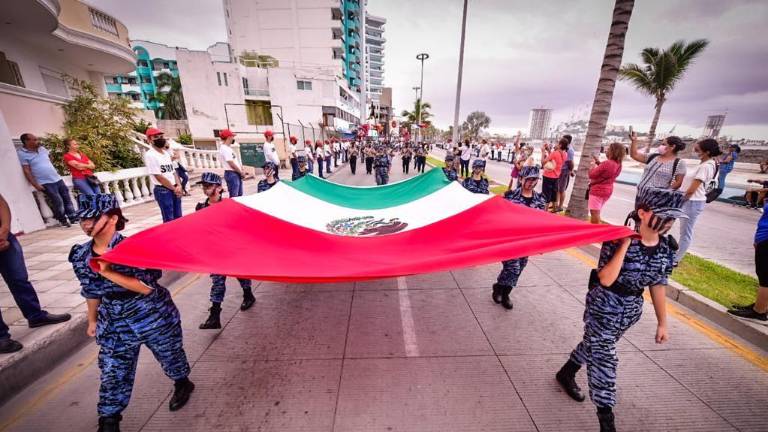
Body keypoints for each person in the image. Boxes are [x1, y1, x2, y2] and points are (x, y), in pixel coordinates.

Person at [556, 187, 683, 432]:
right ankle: (607, 421)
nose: (669, 222)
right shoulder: (617, 239)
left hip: (630, 311)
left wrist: (662, 323)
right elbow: (606, 279)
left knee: (594, 344)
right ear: (643, 213)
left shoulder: (666, 248)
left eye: (673, 217)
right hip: (604, 306)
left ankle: (566, 372)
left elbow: (658, 284)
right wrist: (625, 245)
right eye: (665, 215)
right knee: (604, 359)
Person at [69, 194, 194, 431]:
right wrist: (92, 320)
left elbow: (146, 287)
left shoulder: (135, 249)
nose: (85, 224)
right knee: (113, 370)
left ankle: (182, 382)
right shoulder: (80, 255)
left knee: (170, 355)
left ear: (113, 218)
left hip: (151, 313)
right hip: (113, 320)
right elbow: (90, 290)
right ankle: (109, 419)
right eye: (82, 219)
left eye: (92, 218)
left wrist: (107, 271)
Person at [0, 193, 72, 354]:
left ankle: (35, 316)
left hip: (4, 236)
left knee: (19, 279)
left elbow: (1, 202)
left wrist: (4, 230)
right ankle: (1, 337)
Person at [195, 174, 256, 330]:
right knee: (217, 282)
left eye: (208, 185)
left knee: (240, 274)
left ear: (219, 188)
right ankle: (214, 316)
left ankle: (248, 294)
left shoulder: (229, 205)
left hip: (231, 249)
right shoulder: (200, 208)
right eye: (203, 186)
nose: (205, 188)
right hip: (214, 252)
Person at [493, 166, 547, 310]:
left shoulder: (540, 199)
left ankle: (499, 287)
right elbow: (498, 217)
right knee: (513, 268)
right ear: (521, 179)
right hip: (509, 240)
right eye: (528, 179)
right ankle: (505, 294)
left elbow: (543, 222)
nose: (531, 182)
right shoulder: (509, 196)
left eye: (534, 180)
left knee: (520, 266)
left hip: (526, 242)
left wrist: (541, 243)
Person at [676, 138, 721, 264]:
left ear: (707, 152)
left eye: (697, 149)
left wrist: (680, 201)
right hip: (691, 201)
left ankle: (676, 259)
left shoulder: (706, 166)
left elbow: (692, 189)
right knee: (682, 230)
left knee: (685, 232)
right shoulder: (705, 164)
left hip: (692, 201)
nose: (694, 151)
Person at [18, 133, 77, 227]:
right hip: (45, 182)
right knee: (58, 201)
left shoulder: (42, 149)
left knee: (67, 198)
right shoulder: (22, 154)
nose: (37, 141)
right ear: (26, 141)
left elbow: (50, 159)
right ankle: (62, 220)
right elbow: (27, 171)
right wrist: (35, 184)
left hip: (57, 178)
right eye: (34, 140)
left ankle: (73, 218)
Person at [728, 198, 768, 321]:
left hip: (766, 238)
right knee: (763, 275)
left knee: (765, 277)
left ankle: (759, 312)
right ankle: (761, 305)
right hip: (763, 237)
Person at [629, 133, 687, 205]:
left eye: (664, 144)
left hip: (657, 199)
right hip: (640, 195)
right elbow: (634, 155)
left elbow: (678, 182)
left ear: (672, 147)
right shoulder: (653, 156)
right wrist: (634, 141)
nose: (660, 146)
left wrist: (663, 193)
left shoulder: (679, 163)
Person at [143, 128, 182, 223]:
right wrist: (174, 189)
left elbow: (173, 171)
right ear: (149, 140)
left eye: (161, 136)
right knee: (169, 219)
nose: (160, 139)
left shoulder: (166, 154)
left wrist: (179, 185)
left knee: (179, 217)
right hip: (163, 190)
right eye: (156, 137)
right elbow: (159, 177)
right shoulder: (150, 155)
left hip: (174, 187)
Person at [588, 143, 625, 224]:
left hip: (598, 190)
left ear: (613, 151)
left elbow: (591, 175)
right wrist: (598, 162)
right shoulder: (619, 164)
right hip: (608, 190)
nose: (606, 151)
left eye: (608, 149)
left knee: (594, 213)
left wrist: (592, 166)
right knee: (597, 211)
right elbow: (607, 170)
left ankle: (595, 229)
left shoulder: (607, 163)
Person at [218, 129, 246, 198]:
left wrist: (241, 170)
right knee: (234, 196)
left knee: (239, 195)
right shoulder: (225, 149)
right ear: (229, 137)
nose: (233, 138)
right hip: (232, 174)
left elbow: (235, 161)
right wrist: (240, 172)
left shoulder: (228, 148)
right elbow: (231, 163)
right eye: (232, 136)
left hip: (235, 173)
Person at [541, 138, 567, 212]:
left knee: (546, 195)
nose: (556, 144)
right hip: (556, 177)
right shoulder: (565, 154)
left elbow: (543, 162)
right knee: (553, 194)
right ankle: (555, 210)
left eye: (557, 143)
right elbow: (553, 159)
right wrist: (549, 150)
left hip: (548, 176)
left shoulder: (554, 153)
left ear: (560, 145)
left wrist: (543, 152)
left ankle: (544, 212)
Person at [556, 135, 575, 212]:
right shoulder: (565, 149)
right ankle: (556, 205)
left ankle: (560, 206)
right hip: (560, 170)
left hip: (564, 171)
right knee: (557, 189)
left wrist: (571, 171)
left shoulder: (569, 150)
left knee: (561, 189)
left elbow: (570, 162)